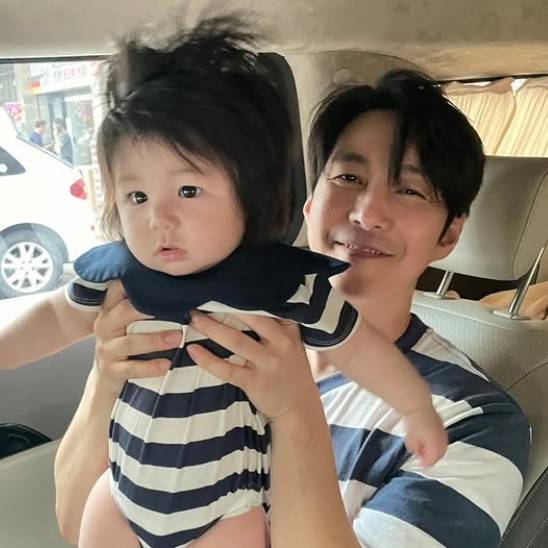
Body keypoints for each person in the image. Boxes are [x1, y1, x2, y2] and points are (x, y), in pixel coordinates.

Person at [0, 17, 446, 548]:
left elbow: (359, 348)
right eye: (136, 197)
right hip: (120, 494)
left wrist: (416, 406)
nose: (158, 218)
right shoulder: (119, 276)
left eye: (188, 191)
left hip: (224, 512)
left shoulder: (280, 286)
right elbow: (55, 318)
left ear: (250, 197)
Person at [54, 61, 531, 547]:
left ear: (450, 232)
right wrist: (106, 380)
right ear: (308, 202)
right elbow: (77, 523)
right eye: (348, 177)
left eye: (408, 189)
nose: (366, 213)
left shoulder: (472, 422)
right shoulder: (197, 327)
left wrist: (294, 412)